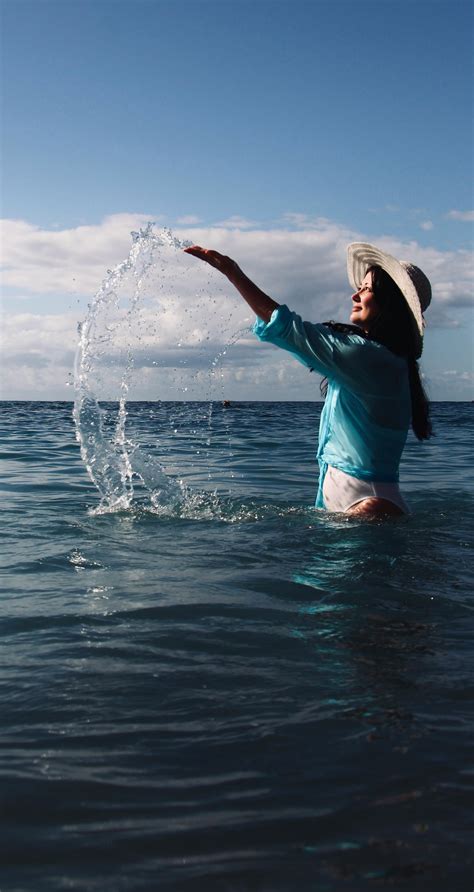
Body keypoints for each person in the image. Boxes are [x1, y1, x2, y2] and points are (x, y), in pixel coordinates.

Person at [184, 241, 433, 517]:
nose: (355, 295)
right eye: (359, 287)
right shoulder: (385, 361)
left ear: (391, 305)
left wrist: (232, 272)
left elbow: (290, 330)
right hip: (363, 502)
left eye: (367, 289)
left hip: (368, 505)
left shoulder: (370, 358)